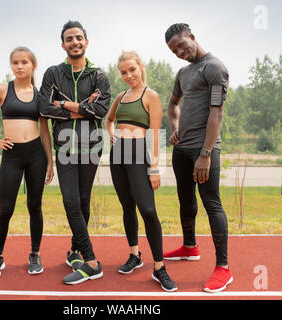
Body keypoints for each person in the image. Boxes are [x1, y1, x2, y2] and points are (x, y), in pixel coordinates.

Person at [39, 20, 111, 285]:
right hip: (65, 147)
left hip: (92, 147)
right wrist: (83, 106)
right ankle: (91, 261)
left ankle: (76, 252)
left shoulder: (99, 75)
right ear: (63, 45)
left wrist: (64, 104)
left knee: (82, 200)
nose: (75, 42)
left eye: (79, 38)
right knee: (71, 202)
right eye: (69, 39)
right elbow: (44, 109)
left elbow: (100, 111)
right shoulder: (52, 73)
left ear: (86, 42)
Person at [163, 23, 233, 293]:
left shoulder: (214, 67)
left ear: (192, 37)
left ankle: (223, 268)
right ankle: (190, 246)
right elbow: (172, 103)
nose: (180, 52)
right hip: (181, 150)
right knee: (185, 199)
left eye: (182, 45)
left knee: (212, 203)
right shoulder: (182, 73)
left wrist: (205, 154)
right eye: (174, 50)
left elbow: (217, 114)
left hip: (204, 151)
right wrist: (174, 128)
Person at [0, 47, 54, 278]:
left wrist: (50, 161)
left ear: (33, 66)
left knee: (35, 206)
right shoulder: (2, 89)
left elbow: (45, 130)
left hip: (36, 155)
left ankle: (35, 255)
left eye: (24, 62)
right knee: (5, 209)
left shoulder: (40, 94)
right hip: (12, 155)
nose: (19, 66)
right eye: (15, 62)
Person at [105, 51, 177, 292]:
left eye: (132, 70)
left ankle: (159, 268)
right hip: (117, 156)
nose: (128, 76)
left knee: (147, 209)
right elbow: (109, 120)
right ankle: (135, 255)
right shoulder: (121, 96)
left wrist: (154, 168)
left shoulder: (151, 96)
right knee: (127, 206)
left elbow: (155, 134)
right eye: (123, 72)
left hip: (138, 155)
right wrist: (111, 134)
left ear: (141, 67)